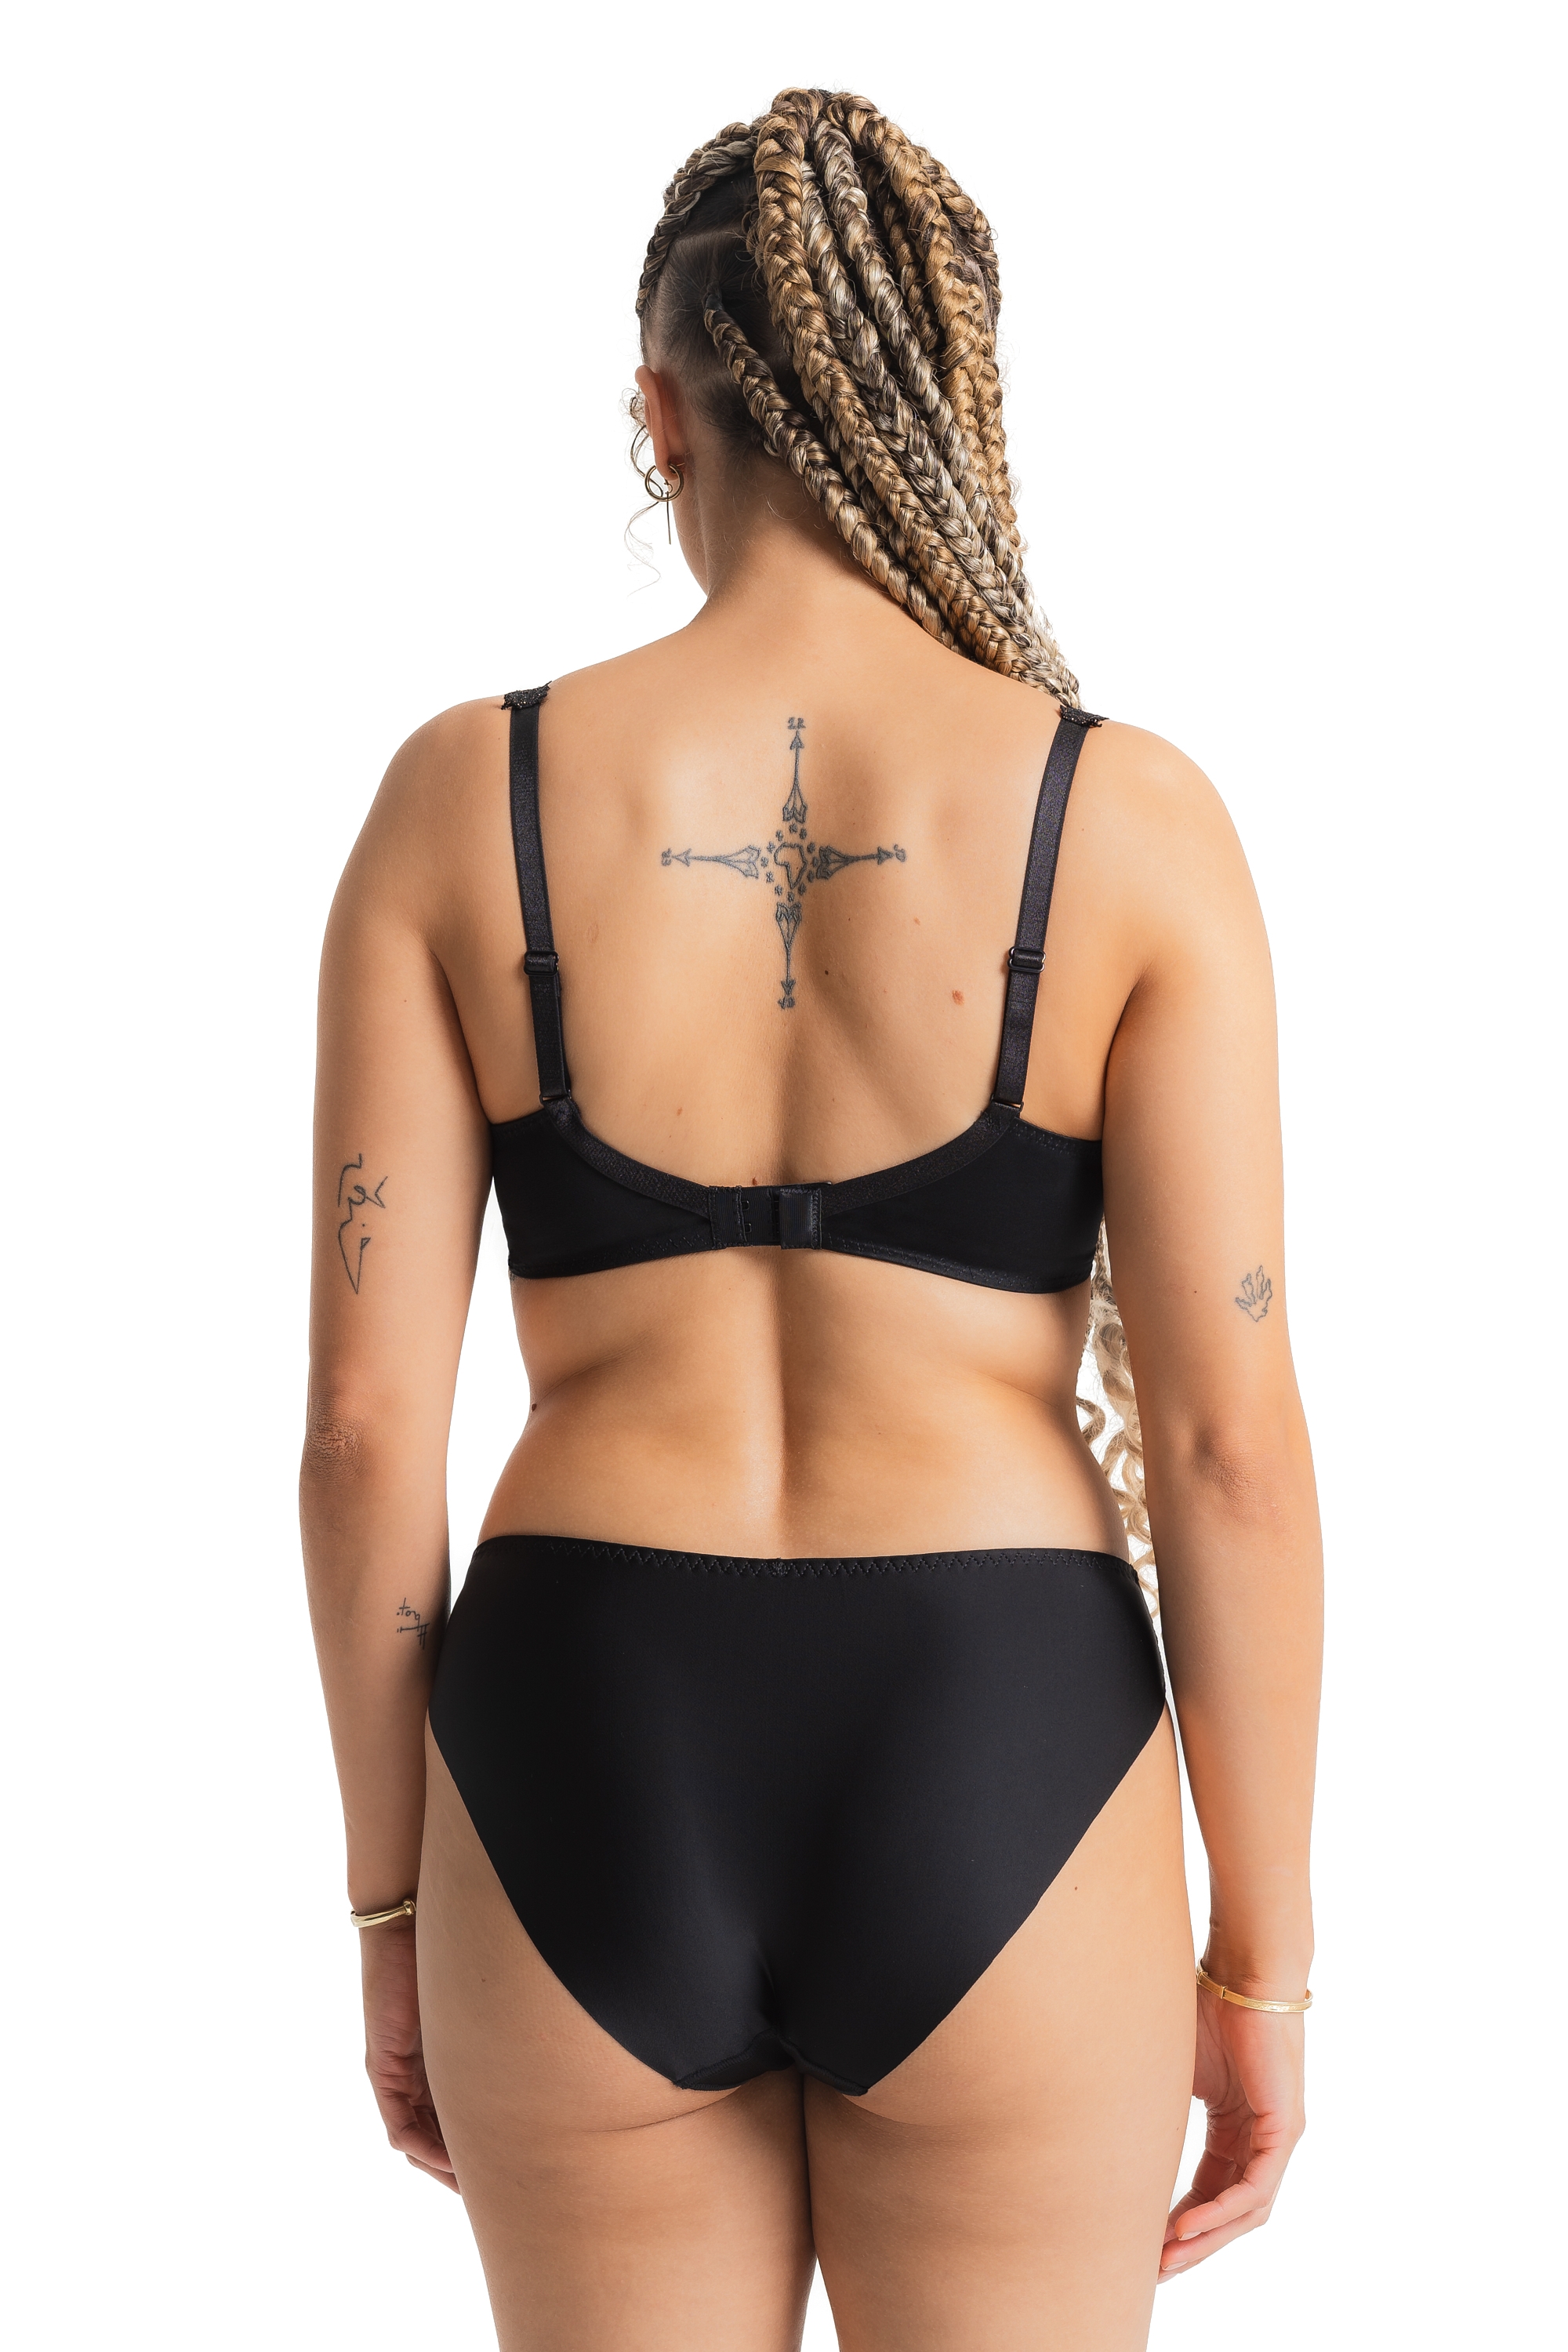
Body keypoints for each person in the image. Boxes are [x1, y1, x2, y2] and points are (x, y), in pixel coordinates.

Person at [301, 86, 1322, 2352]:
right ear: (945, 411)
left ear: (659, 412)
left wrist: (392, 1906)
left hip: (578, 1742)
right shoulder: (1128, 823)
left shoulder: (464, 799)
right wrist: (1259, 1962)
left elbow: (364, 1437)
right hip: (998, 1738)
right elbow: (1231, 1448)